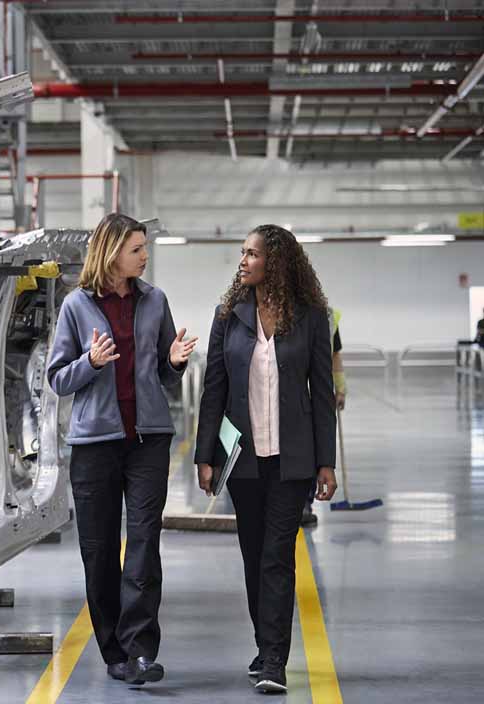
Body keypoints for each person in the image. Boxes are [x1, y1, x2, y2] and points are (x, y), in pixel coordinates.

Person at [46, 213, 197, 686]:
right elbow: (57, 378)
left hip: (148, 439)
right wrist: (89, 362)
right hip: (95, 444)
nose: (145, 255)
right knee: (100, 550)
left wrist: (174, 363)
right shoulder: (76, 306)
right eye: (137, 248)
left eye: (144, 248)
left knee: (145, 544)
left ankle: (141, 651)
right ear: (112, 253)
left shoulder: (155, 301)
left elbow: (166, 375)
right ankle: (113, 651)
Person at [194, 224, 338, 694]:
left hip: (293, 459)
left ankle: (275, 659)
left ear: (275, 261)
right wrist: (205, 456)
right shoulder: (228, 316)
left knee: (278, 556)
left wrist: (326, 462)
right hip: (244, 460)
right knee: (254, 557)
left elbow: (321, 394)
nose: (243, 260)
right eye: (242, 253)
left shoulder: (312, 317)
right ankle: (264, 646)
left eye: (252, 253)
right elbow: (214, 388)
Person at [301, 309, 345, 526]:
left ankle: (306, 502)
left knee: (315, 447)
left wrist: (341, 388)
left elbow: (335, 355)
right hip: (298, 389)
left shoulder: (327, 316)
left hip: (319, 389)